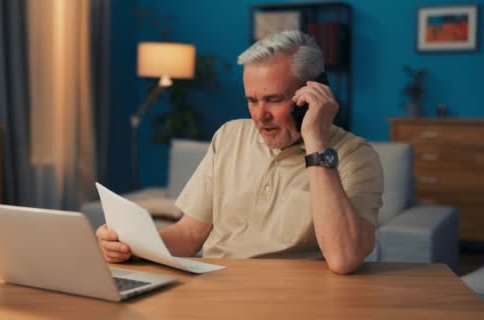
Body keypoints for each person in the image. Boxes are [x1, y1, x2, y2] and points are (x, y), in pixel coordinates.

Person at [96, 30, 383, 274]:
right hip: (215, 289)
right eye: (252, 100)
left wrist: (316, 142)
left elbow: (343, 258)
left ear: (312, 95)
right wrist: (130, 246)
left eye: (273, 100)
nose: (260, 116)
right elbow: (190, 233)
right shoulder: (230, 136)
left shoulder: (356, 156)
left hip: (294, 300)